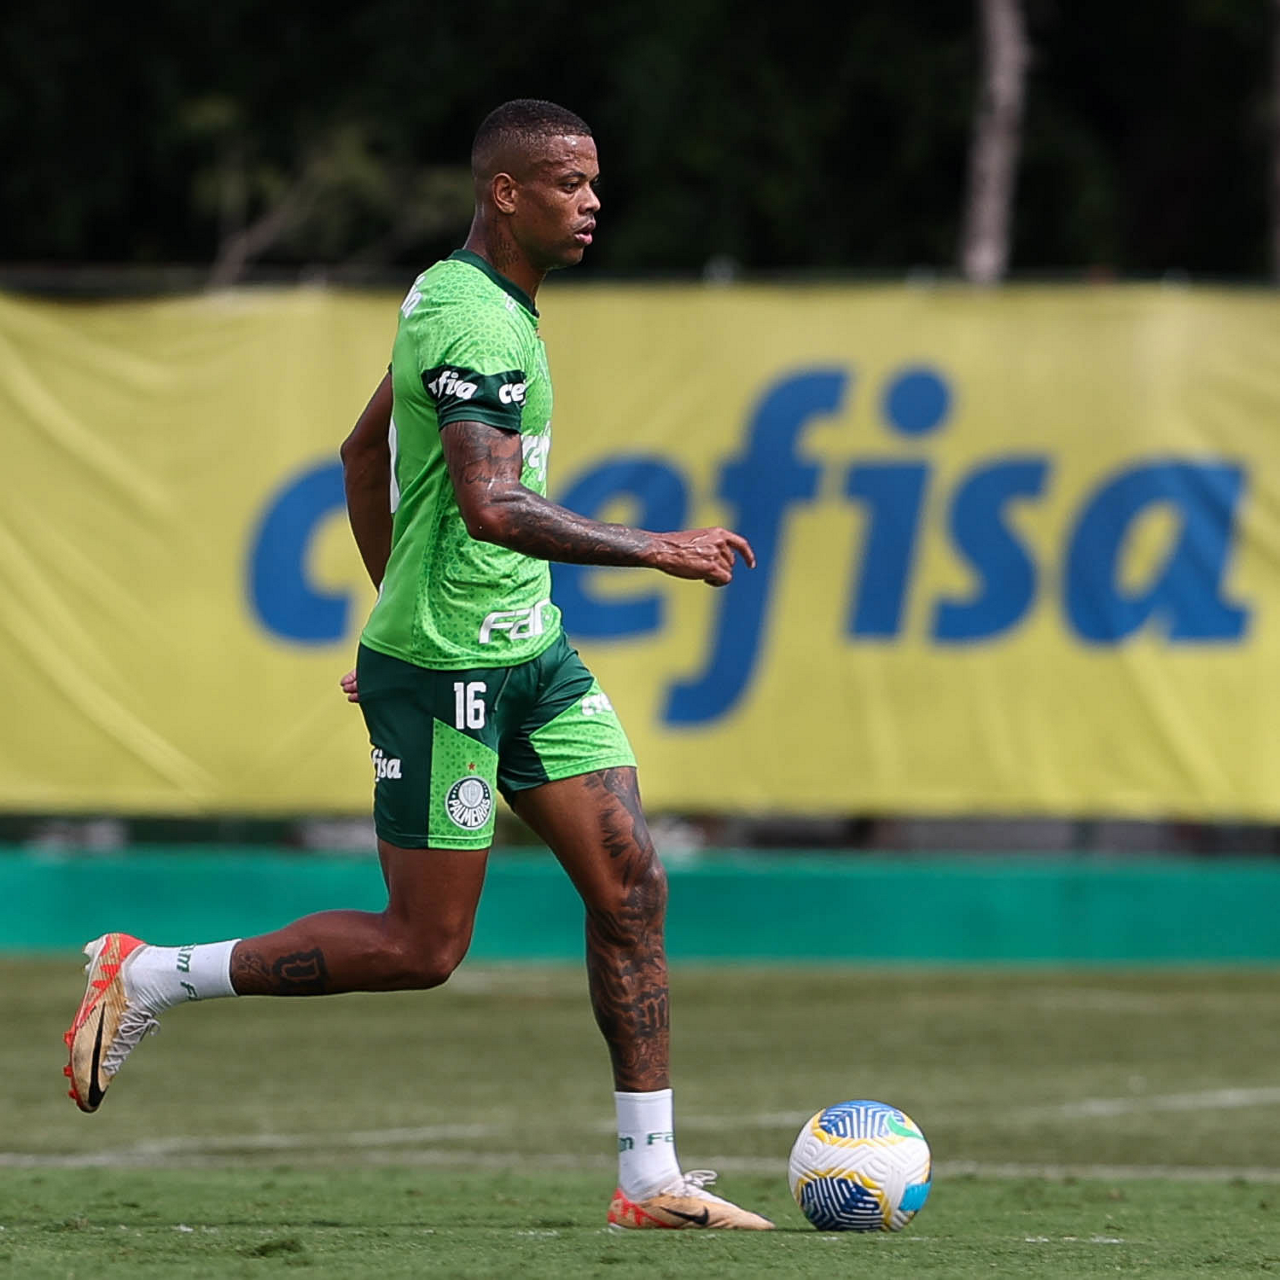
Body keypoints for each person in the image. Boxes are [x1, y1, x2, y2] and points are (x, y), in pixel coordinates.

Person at [64, 99, 770, 1231]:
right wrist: (655, 548)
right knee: (421, 947)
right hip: (448, 672)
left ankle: (650, 1180)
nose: (593, 201)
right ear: (505, 193)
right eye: (570, 183)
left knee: (632, 887)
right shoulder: (473, 322)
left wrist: (395, 605)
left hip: (531, 654)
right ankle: (147, 973)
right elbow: (491, 505)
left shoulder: (475, 301)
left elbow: (361, 455)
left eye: (593, 181)